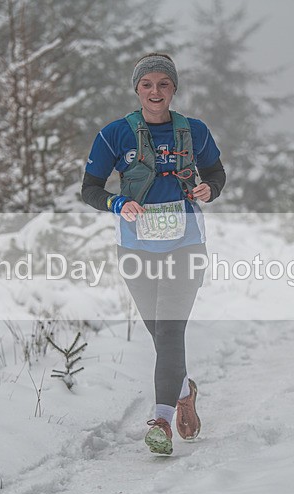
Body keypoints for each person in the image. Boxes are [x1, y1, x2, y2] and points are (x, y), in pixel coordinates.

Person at [81, 53, 227, 455]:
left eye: (164, 84)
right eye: (147, 84)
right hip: (135, 244)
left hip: (186, 242)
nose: (155, 91)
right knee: (159, 334)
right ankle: (185, 391)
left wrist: (209, 189)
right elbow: (90, 188)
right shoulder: (115, 134)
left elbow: (216, 174)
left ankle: (161, 418)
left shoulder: (194, 131)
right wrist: (116, 203)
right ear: (137, 89)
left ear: (174, 89)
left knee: (169, 331)